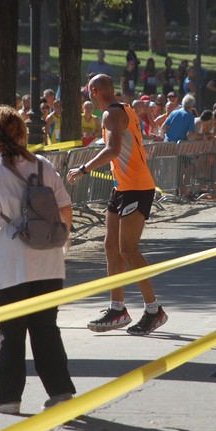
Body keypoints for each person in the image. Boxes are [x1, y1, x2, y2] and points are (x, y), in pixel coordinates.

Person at [0, 105, 75, 414]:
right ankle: (61, 391)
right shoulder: (44, 165)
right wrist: (61, 239)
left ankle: (8, 397)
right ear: (22, 132)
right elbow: (65, 207)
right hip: (48, 258)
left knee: (12, 331)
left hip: (11, 262)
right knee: (47, 328)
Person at [66, 74, 168, 336]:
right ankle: (117, 308)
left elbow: (112, 149)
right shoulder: (126, 109)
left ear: (96, 91)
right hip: (122, 187)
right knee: (110, 245)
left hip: (137, 187)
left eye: (89, 93)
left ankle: (154, 309)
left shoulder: (111, 114)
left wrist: (83, 168)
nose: (88, 98)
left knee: (128, 250)